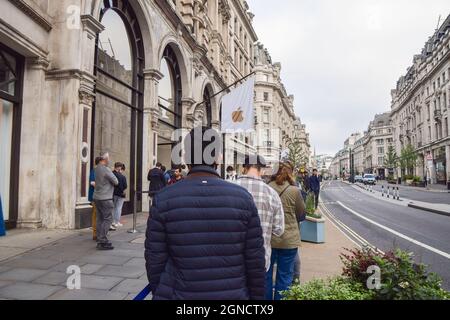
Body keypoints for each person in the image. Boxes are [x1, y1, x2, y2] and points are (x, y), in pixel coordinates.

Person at [145, 126, 265, 300]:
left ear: (185, 157)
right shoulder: (243, 198)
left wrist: (164, 291)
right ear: (218, 157)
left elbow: (154, 259)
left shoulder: (164, 198)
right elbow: (255, 261)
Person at [235, 154, 285, 272]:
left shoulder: (228, 187)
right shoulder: (271, 194)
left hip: (232, 258)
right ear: (261, 170)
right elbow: (279, 229)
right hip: (260, 258)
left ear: (244, 168)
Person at [267, 161, 305, 300]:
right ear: (290, 173)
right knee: (285, 275)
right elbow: (301, 214)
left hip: (269, 238)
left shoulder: (267, 188)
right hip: (289, 239)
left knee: (267, 274)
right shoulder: (295, 191)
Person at [93, 153, 119, 251]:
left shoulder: (96, 169)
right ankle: (103, 240)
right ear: (104, 159)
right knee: (108, 219)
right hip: (105, 198)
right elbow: (116, 181)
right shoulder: (106, 169)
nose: (108, 161)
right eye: (108, 159)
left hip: (97, 197)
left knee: (100, 218)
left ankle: (99, 239)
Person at [89, 157, 102, 241]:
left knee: (99, 215)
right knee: (96, 215)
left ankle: (99, 233)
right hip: (95, 196)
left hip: (100, 196)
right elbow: (92, 182)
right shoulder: (94, 171)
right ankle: (95, 234)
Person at [112, 162, 127, 228]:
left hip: (113, 193)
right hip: (120, 194)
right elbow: (125, 186)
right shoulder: (122, 176)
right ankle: (116, 222)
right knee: (118, 208)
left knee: (113, 207)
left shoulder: (111, 174)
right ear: (119, 167)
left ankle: (112, 222)